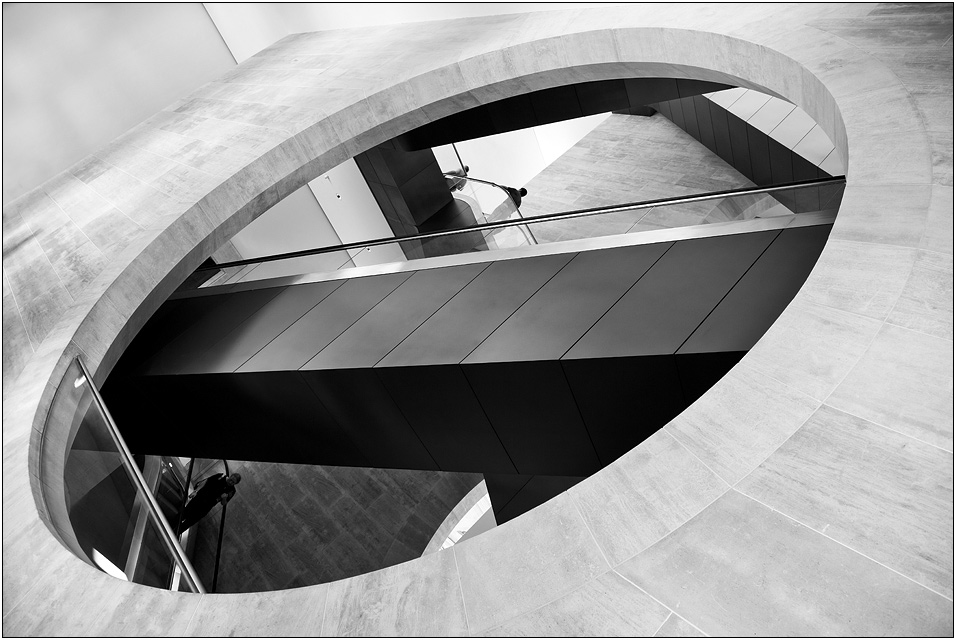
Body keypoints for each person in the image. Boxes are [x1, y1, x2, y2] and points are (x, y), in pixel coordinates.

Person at [177, 472, 241, 534]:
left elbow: (224, 503)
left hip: (206, 507)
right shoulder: (220, 476)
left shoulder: (231, 491)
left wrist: (224, 498)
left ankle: (176, 533)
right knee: (183, 514)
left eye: (233, 482)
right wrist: (196, 491)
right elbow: (205, 481)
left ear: (235, 484)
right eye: (231, 480)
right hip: (199, 498)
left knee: (189, 522)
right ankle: (172, 524)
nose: (230, 482)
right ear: (230, 476)